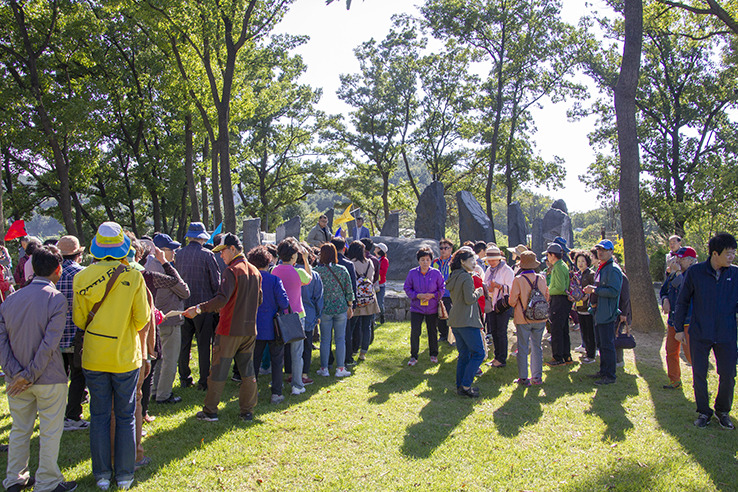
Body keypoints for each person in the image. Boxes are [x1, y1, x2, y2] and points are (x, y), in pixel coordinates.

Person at [73, 222, 151, 490]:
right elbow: (142, 319)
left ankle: (102, 475)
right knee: (126, 415)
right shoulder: (134, 277)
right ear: (122, 247)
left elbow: (80, 320)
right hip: (125, 357)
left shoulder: (81, 277)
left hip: (94, 356)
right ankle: (125, 474)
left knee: (99, 415)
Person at [0, 246, 78, 492]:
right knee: (50, 431)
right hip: (48, 377)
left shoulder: (11, 299)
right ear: (58, 269)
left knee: (19, 430)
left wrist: (17, 374)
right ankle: (47, 481)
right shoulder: (56, 298)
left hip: (16, 378)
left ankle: (15, 478)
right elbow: (49, 344)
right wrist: (29, 375)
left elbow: (2, 342)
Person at [184, 233, 262, 423]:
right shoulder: (255, 271)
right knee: (248, 372)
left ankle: (210, 411)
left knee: (218, 371)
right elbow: (259, 300)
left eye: (223, 251)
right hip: (249, 330)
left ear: (233, 249)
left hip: (229, 330)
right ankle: (247, 412)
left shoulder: (232, 271)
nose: (221, 256)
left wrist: (198, 308)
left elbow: (221, 299)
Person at [674, 233, 738, 429]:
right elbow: (683, 300)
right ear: (715, 253)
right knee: (699, 374)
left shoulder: (735, 274)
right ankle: (704, 411)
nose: (732, 257)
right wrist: (678, 329)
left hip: (726, 334)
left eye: (734, 253)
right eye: (728, 253)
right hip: (700, 332)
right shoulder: (695, 272)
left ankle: (722, 410)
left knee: (728, 374)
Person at [176, 222, 221, 391]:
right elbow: (215, 283)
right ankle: (203, 380)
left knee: (184, 344)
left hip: (183, 305)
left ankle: (184, 377)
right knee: (203, 345)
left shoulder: (178, 255)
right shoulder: (207, 255)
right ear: (202, 237)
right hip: (203, 307)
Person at [149, 234, 190, 404]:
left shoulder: (147, 266)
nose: (174, 252)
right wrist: (167, 264)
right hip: (169, 319)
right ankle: (164, 394)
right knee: (169, 359)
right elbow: (184, 291)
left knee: (157, 359)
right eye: (170, 249)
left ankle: (155, 390)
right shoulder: (163, 269)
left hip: (154, 320)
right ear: (160, 251)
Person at [55, 235, 89, 432]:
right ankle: (73, 415)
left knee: (58, 377)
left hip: (55, 334)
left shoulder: (52, 274)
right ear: (79, 255)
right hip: (78, 333)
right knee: (78, 376)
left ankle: (56, 413)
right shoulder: (83, 275)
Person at [247, 246, 288, 404]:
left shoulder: (249, 279)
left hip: (253, 325)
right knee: (277, 360)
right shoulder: (274, 280)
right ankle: (276, 393)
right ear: (268, 261)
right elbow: (284, 302)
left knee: (254, 361)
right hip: (274, 326)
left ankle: (252, 392)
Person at [273, 238, 312, 395]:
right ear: (294, 255)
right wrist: (306, 259)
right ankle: (297, 384)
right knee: (297, 353)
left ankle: (276, 383)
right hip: (297, 315)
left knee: (278, 352)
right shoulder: (299, 272)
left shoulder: (274, 271)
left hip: (279, 316)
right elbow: (310, 278)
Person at [583, 239, 623, 386]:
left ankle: (610, 375)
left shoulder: (613, 269)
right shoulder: (603, 267)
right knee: (601, 344)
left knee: (607, 345)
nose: (600, 252)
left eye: (604, 250)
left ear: (611, 252)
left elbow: (614, 291)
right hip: (599, 312)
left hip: (607, 313)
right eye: (599, 249)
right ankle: (603, 371)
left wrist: (594, 290)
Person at [446, 249, 485, 397]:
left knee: (464, 355)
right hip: (467, 320)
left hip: (455, 320)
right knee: (478, 353)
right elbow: (469, 299)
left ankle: (460, 386)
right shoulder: (467, 278)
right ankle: (466, 385)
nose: (475, 263)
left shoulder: (454, 276)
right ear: (462, 262)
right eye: (472, 260)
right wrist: (479, 292)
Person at [509, 251, 550, 386]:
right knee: (537, 347)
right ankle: (537, 377)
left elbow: (512, 301)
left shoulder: (518, 280)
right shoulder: (541, 278)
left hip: (523, 318)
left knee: (523, 347)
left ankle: (523, 378)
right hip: (540, 317)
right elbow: (547, 297)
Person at [314, 243, 355, 377]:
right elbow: (349, 290)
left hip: (325, 309)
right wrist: (350, 306)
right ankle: (341, 368)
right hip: (341, 308)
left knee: (325, 340)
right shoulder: (342, 270)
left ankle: (324, 368)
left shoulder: (318, 272)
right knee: (340, 339)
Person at [403, 247, 445, 366]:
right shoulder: (412, 273)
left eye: (427, 259)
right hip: (417, 308)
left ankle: (433, 354)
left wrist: (433, 296)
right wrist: (417, 295)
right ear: (418, 261)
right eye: (422, 260)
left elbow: (442, 288)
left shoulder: (436, 273)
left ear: (431, 260)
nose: (425, 262)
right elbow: (407, 288)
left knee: (432, 331)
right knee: (415, 332)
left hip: (432, 308)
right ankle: (414, 356)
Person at [660, 247, 695, 389]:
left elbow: (685, 291)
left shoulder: (694, 274)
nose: (678, 261)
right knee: (671, 351)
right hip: (673, 321)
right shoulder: (674, 274)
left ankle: (699, 381)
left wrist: (677, 273)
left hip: (687, 321)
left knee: (691, 354)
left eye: (681, 259)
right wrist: (665, 299)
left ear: (691, 261)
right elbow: (664, 290)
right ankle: (675, 380)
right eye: (677, 258)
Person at [483, 245, 514, 368]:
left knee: (501, 331)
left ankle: (502, 358)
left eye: (494, 259)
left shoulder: (507, 271)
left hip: (502, 305)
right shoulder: (489, 270)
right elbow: (485, 284)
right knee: (494, 331)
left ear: (499, 259)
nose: (491, 262)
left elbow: (511, 288)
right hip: (491, 304)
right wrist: (489, 287)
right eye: (489, 260)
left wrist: (499, 286)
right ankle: (497, 356)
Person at [545, 243, 573, 366]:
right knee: (563, 329)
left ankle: (558, 357)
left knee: (556, 330)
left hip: (559, 300)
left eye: (548, 255)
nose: (547, 258)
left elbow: (560, 288)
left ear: (552, 255)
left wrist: (547, 291)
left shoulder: (558, 267)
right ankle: (566, 356)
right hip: (562, 301)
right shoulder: (561, 265)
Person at [298, 243, 322, 384]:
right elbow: (318, 297)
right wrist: (318, 315)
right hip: (309, 314)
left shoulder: (290, 271)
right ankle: (304, 374)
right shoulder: (313, 275)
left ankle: (289, 372)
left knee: (292, 346)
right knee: (307, 346)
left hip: (291, 314)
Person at [572, 251, 596, 364]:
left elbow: (595, 289)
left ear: (587, 262)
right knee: (584, 331)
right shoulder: (577, 274)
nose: (580, 263)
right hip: (579, 307)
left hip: (588, 308)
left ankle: (591, 354)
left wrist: (587, 296)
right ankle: (587, 351)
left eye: (583, 261)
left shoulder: (591, 274)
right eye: (578, 261)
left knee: (590, 332)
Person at [432, 238, 454, 343]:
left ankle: (452, 336)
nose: (443, 250)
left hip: (450, 294)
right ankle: (443, 335)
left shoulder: (454, 262)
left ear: (451, 249)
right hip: (437, 294)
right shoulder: (435, 262)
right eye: (441, 248)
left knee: (450, 315)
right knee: (439, 316)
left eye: (446, 248)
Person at [374, 243, 389, 324]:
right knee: (372, 302)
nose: (375, 248)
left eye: (377, 247)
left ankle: (382, 316)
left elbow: (383, 272)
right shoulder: (374, 258)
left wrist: (374, 271)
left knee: (380, 303)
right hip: (373, 284)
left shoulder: (384, 260)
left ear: (380, 250)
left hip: (381, 284)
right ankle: (372, 321)